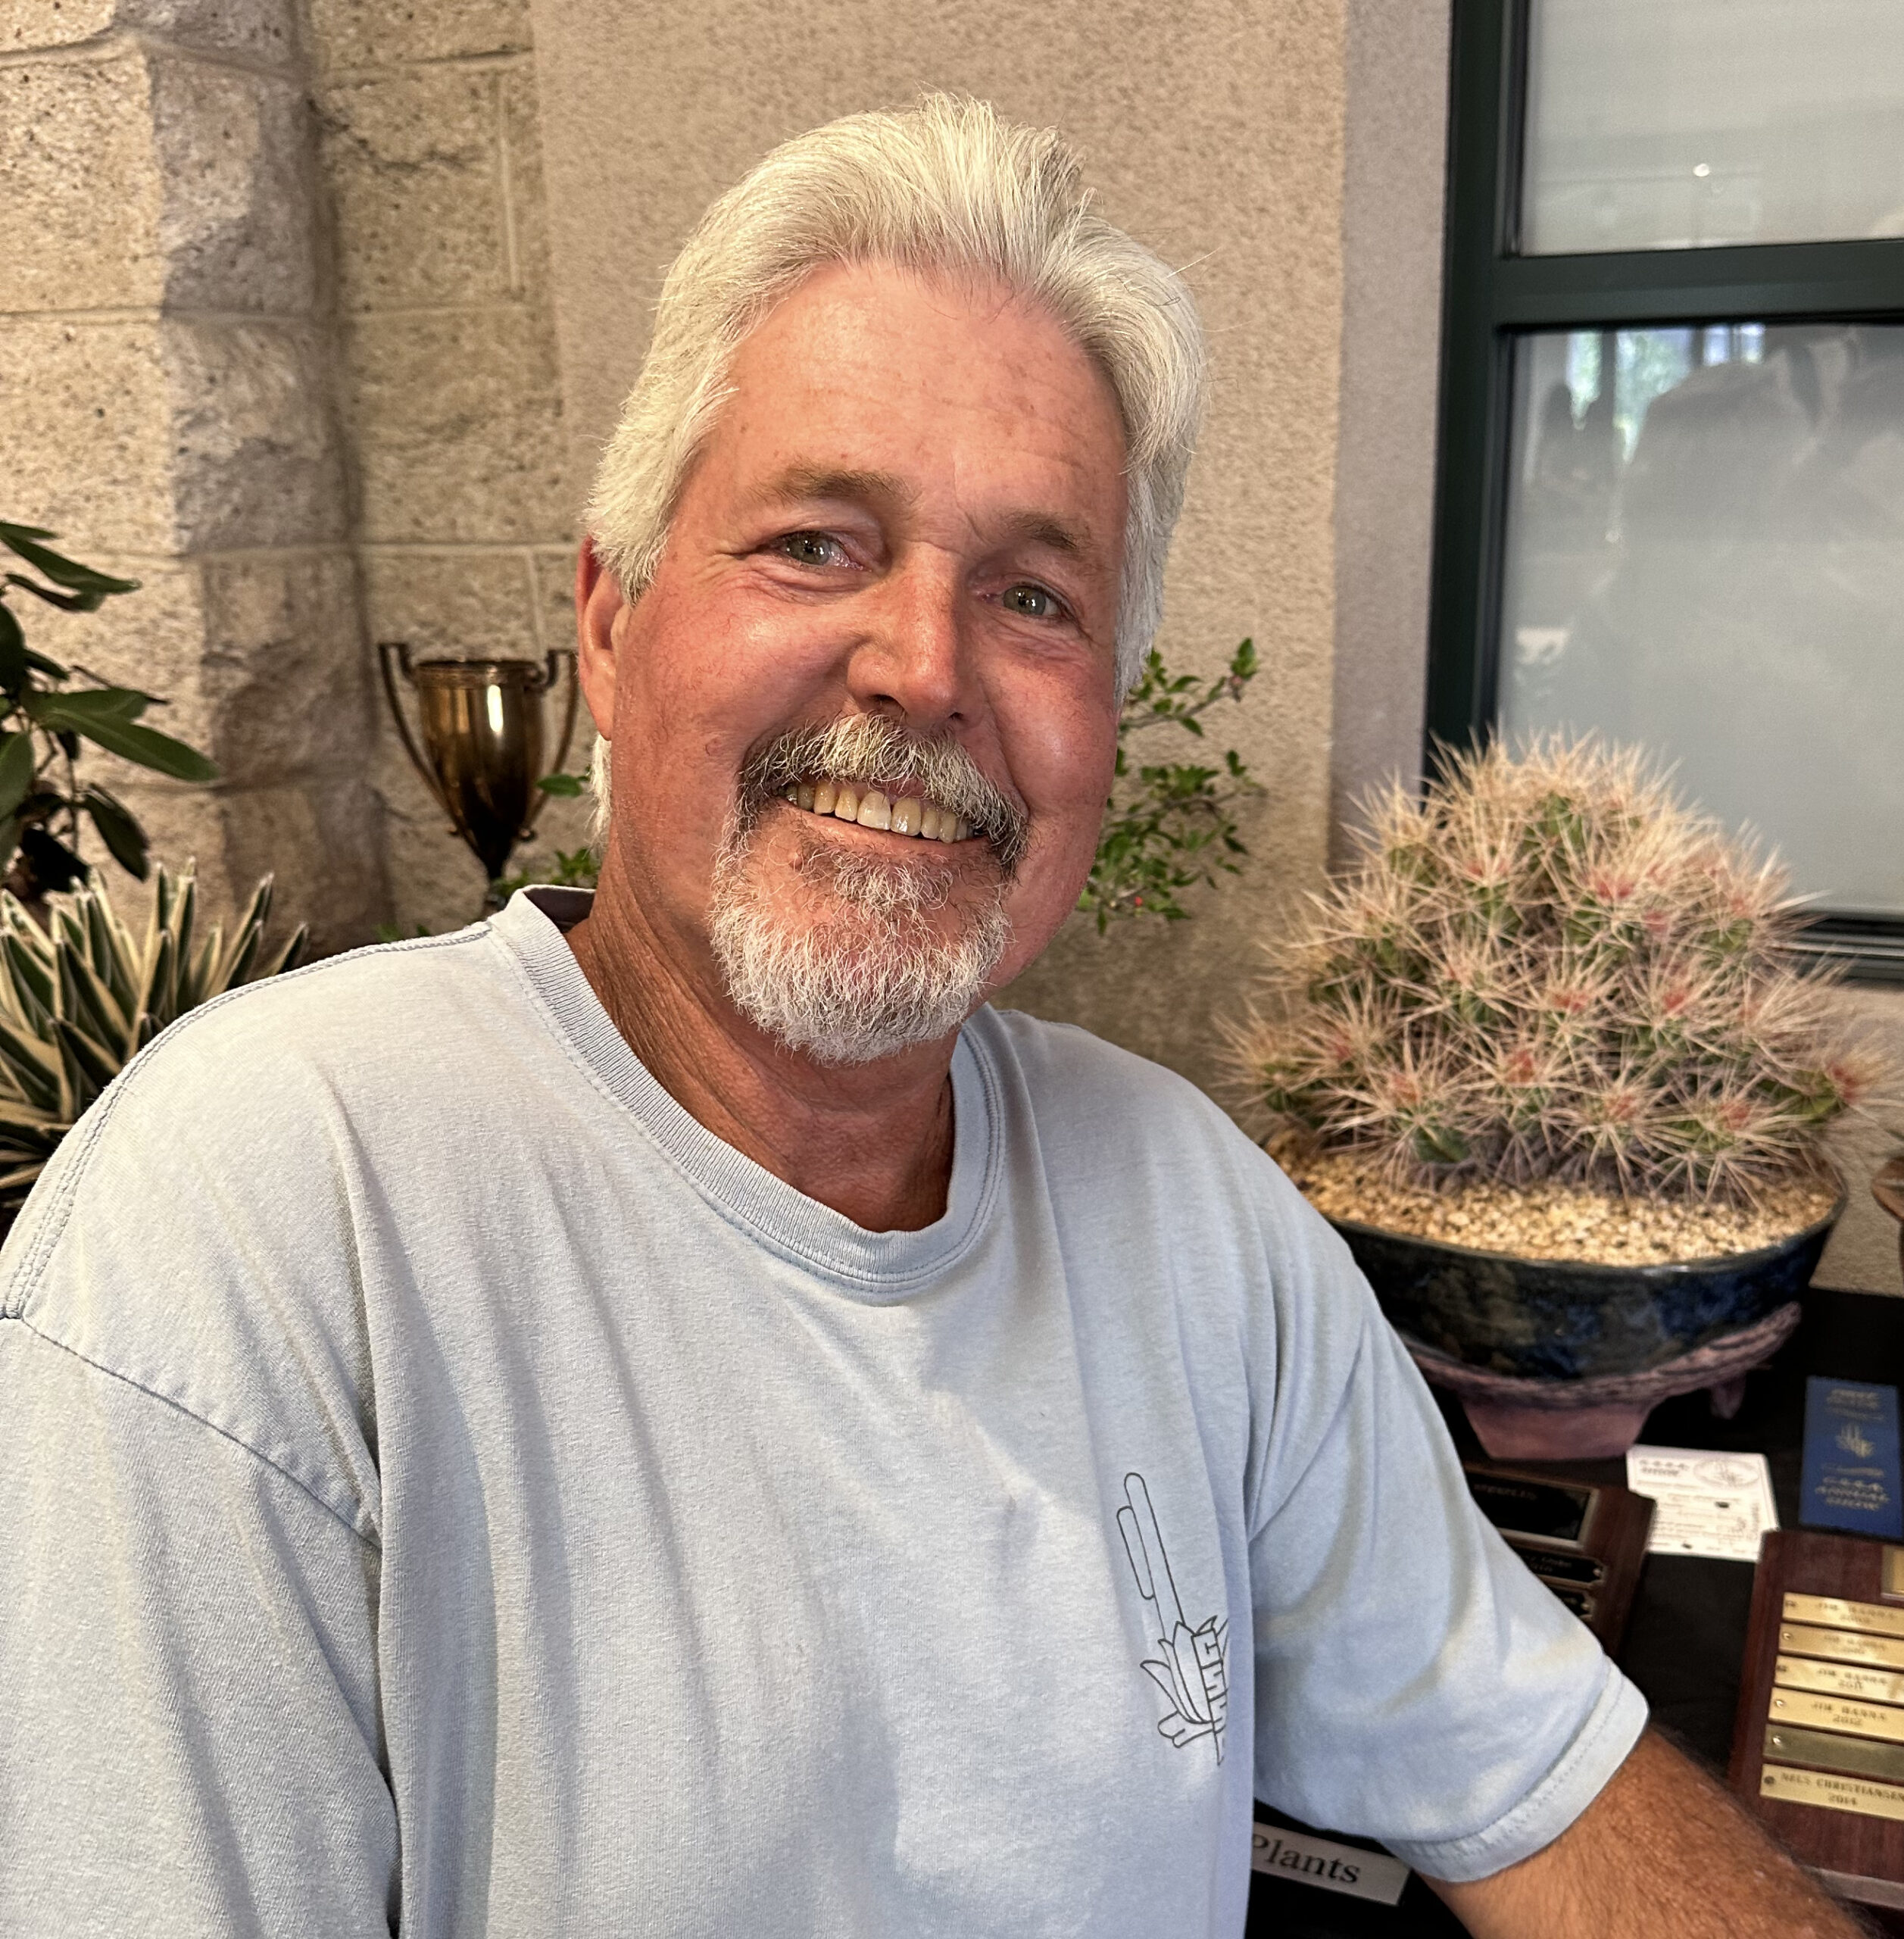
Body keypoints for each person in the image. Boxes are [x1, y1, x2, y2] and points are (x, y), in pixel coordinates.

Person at [0, 96, 1856, 1939]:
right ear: (608, 621)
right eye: (817, 540)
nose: (924, 666)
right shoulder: (266, 1214)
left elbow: (1535, 1773)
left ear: (1105, 731)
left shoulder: (1193, 1219)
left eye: (1035, 594)